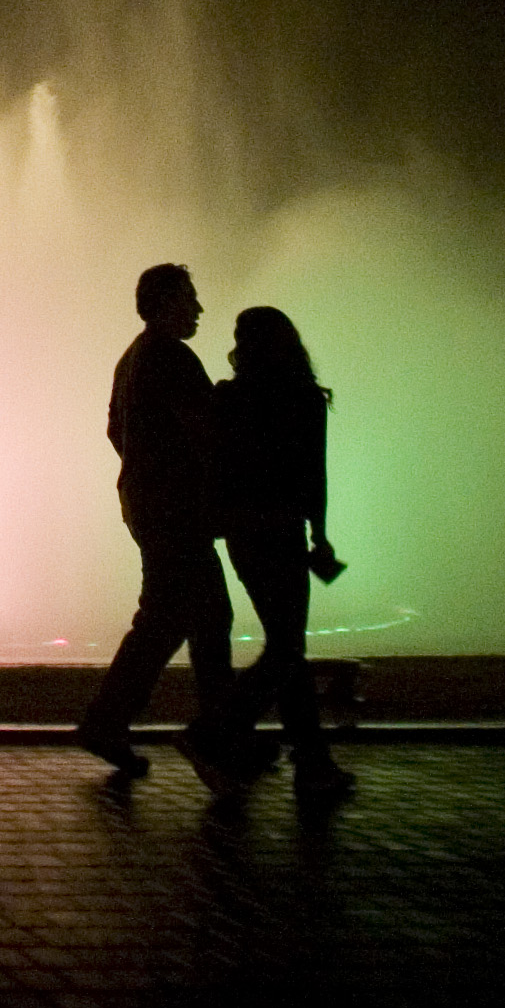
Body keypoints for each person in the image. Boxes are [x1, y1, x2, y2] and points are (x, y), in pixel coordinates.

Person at [74, 263, 240, 783]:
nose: (198, 308)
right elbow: (207, 430)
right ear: (166, 302)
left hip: (147, 504)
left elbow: (112, 429)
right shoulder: (171, 356)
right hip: (174, 510)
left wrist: (141, 468)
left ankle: (116, 721)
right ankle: (215, 738)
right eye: (189, 298)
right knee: (201, 617)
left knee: (174, 618)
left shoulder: (133, 357)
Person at [210, 304, 350, 792]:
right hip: (284, 532)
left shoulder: (229, 397)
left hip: (244, 534)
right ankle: (221, 729)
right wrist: (321, 535)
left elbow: (216, 467)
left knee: (287, 648)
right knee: (288, 647)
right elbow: (316, 475)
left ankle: (311, 760)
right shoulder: (304, 398)